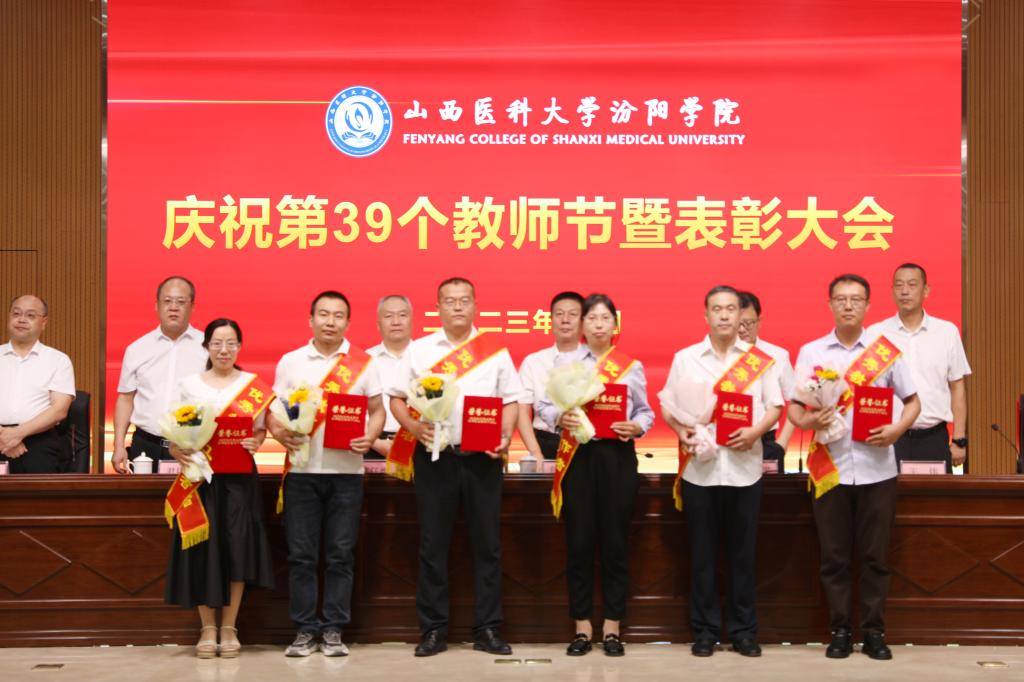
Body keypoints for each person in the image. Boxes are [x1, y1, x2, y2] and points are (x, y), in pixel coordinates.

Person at [387, 277, 522, 658]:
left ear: (475, 305)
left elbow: (511, 400)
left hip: (483, 459)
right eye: (450, 301)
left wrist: (506, 434)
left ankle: (488, 628)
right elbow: (395, 398)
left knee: (487, 545)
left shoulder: (495, 351)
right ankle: (433, 630)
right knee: (433, 544)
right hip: (435, 458)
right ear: (438, 308)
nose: (458, 307)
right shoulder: (419, 350)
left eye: (464, 300)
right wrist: (414, 428)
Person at [788, 274, 920, 661]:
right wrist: (809, 421)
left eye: (856, 299)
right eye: (841, 299)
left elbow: (913, 402)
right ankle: (840, 631)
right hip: (830, 470)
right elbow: (794, 408)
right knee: (834, 557)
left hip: (877, 470)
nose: (848, 306)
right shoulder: (812, 352)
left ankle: (874, 632)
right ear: (830, 304)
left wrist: (896, 429)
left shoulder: (885, 352)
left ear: (867, 305)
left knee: (876, 557)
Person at [662, 286, 783, 658]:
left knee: (743, 556)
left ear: (741, 314)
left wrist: (756, 432)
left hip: (745, 470)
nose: (725, 315)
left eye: (731, 308)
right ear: (706, 315)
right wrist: (680, 431)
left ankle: (744, 631)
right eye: (717, 309)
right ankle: (705, 631)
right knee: (702, 556)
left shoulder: (758, 360)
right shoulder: (685, 358)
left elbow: (775, 406)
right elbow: (668, 405)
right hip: (701, 471)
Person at [267, 291, 385, 657]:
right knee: (301, 556)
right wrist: (279, 434)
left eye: (338, 315)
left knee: (340, 555)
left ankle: (334, 629)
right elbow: (272, 411)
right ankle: (305, 630)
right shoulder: (291, 361)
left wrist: (371, 436)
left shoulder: (364, 363)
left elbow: (378, 410)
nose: (330, 321)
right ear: (311, 319)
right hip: (302, 472)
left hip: (346, 473)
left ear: (347, 322)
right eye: (323, 314)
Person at [537, 293, 654, 657]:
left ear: (615, 325)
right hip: (579, 459)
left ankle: (613, 627)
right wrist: (560, 417)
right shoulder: (566, 363)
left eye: (606, 318)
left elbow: (646, 412)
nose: (599, 325)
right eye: (592, 318)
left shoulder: (630, 366)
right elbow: (543, 406)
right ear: (582, 325)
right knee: (580, 544)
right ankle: (582, 627)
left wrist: (636, 426)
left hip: (617, 458)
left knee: (616, 544)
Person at [163, 318, 275, 658]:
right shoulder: (189, 385)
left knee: (238, 548)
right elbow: (173, 432)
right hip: (200, 478)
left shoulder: (252, 385)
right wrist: (175, 449)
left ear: (239, 346)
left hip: (239, 479)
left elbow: (259, 430)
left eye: (230, 343)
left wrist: (257, 441)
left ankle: (229, 627)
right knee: (201, 549)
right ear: (206, 347)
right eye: (216, 343)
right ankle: (207, 628)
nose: (224, 350)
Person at [866, 263, 971, 473]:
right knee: (886, 494)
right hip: (889, 439)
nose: (905, 291)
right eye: (899, 285)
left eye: (912, 285)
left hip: (933, 438)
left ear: (926, 290)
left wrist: (959, 439)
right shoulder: (876, 333)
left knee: (934, 495)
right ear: (892, 291)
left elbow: (957, 387)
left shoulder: (946, 332)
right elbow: (868, 388)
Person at [112, 276, 207, 473]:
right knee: (145, 495)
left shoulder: (208, 347)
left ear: (192, 306)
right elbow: (125, 399)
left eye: (181, 302)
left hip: (193, 448)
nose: (173, 307)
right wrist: (118, 445)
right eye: (167, 301)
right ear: (156, 305)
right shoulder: (137, 348)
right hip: (146, 447)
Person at [0, 295, 75, 473]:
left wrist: (17, 434)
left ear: (44, 322)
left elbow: (59, 410)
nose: (22, 319)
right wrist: (4, 437)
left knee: (36, 490)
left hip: (39, 443)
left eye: (30, 315)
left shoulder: (58, 360)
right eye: (16, 313)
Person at [517, 291, 584, 460]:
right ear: (551, 319)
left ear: (583, 321)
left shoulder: (597, 361)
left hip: (588, 445)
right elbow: (522, 411)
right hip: (547, 444)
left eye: (573, 314)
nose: (565, 320)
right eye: (559, 314)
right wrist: (536, 453)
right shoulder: (533, 362)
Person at [737, 291, 796, 472]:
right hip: (726, 442)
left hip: (766, 442)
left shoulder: (777, 355)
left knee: (768, 491)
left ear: (759, 321)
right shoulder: (719, 356)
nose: (742, 329)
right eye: (737, 324)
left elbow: (796, 400)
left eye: (748, 323)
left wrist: (782, 443)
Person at [367, 295, 413, 460]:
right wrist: (375, 442)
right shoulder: (363, 361)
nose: (396, 322)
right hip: (372, 446)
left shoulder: (427, 358)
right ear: (378, 324)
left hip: (420, 446)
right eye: (388, 316)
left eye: (402, 315)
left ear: (411, 320)